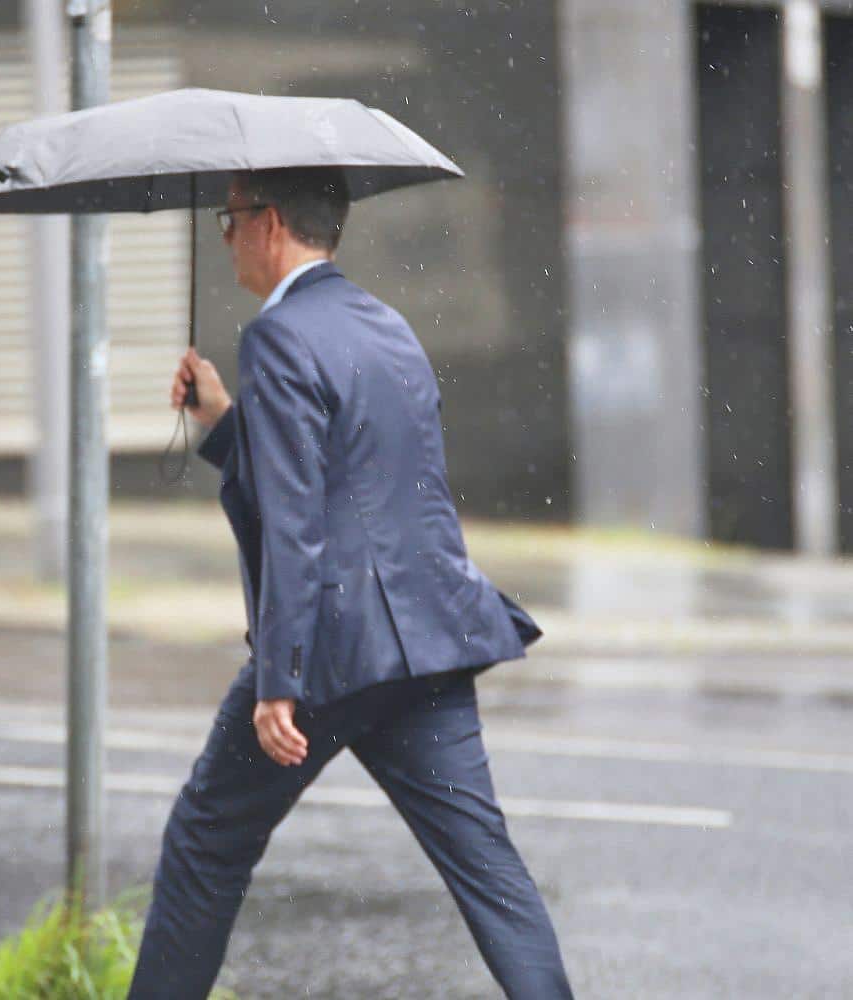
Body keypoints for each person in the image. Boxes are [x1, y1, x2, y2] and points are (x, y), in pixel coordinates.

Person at [127, 167, 573, 999]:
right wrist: (222, 424)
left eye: (229, 221)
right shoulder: (385, 324)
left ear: (269, 224)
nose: (226, 239)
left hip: (335, 649)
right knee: (488, 872)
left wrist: (280, 678)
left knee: (204, 842)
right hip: (429, 639)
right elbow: (360, 481)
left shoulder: (278, 337)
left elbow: (297, 521)